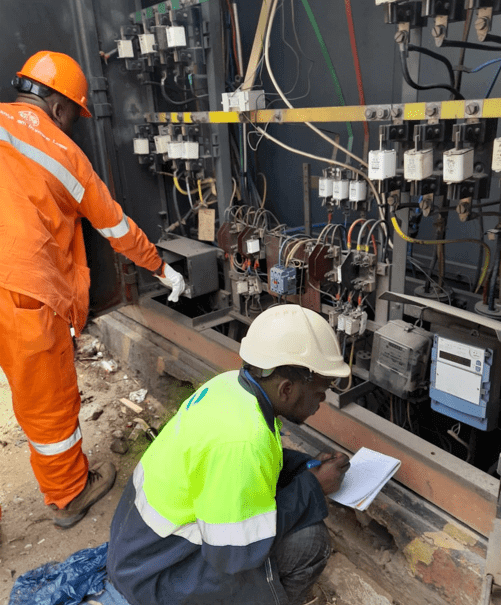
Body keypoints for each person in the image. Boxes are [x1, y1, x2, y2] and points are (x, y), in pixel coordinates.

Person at [0, 50, 185, 529]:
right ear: (62, 108)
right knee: (48, 407)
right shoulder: (63, 154)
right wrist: (162, 270)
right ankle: (69, 494)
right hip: (25, 293)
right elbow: (116, 227)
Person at [107, 304, 352, 605]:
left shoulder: (229, 387)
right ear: (287, 389)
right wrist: (313, 487)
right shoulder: (242, 440)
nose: (321, 401)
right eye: (320, 392)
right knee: (310, 542)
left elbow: (254, 463)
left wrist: (306, 466)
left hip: (140, 552)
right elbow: (236, 553)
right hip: (159, 578)